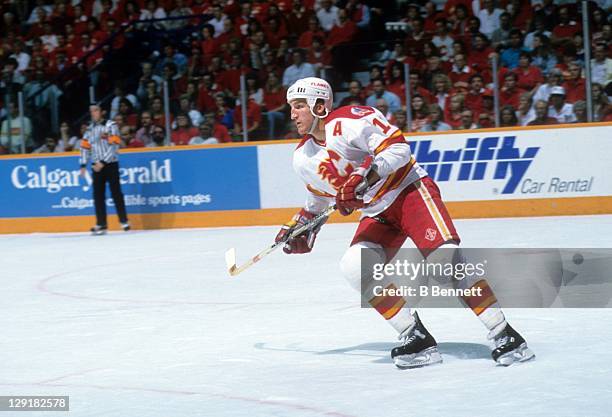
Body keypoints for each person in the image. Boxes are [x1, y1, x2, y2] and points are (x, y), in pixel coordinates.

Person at [278, 77, 534, 369]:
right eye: (291, 107)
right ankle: (415, 336)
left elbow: (399, 150)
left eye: (299, 106)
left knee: (445, 262)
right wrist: (301, 225)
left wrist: (366, 176)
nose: (292, 114)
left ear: (320, 105)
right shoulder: (303, 157)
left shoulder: (351, 121)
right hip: (377, 212)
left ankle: (505, 333)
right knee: (354, 265)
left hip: (409, 191)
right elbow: (319, 199)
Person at [79, 104, 130, 235]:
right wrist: (83, 165)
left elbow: (114, 145)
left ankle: (123, 221)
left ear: (102, 112)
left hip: (110, 164)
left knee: (116, 193)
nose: (93, 113)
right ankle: (101, 224)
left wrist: (103, 162)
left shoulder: (111, 125)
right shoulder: (89, 130)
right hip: (96, 165)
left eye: (95, 110)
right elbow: (84, 147)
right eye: (91, 111)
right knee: (98, 195)